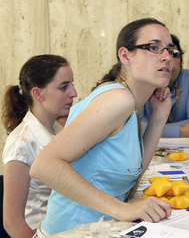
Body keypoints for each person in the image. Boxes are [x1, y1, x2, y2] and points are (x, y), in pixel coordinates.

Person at [30, 18, 174, 236]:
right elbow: (43, 165)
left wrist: (160, 115)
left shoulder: (128, 101)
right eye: (153, 48)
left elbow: (131, 179)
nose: (167, 57)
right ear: (125, 56)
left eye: (170, 50)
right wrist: (122, 209)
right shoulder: (118, 100)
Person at [2, 55, 77, 237]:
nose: (73, 92)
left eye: (72, 84)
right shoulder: (21, 143)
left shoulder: (58, 129)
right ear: (38, 94)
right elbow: (12, 222)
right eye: (63, 87)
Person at [140, 34, 189, 138]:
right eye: (162, 55)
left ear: (182, 60)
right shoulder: (143, 81)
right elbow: (135, 128)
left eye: (173, 54)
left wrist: (156, 129)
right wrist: (181, 131)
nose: (169, 60)